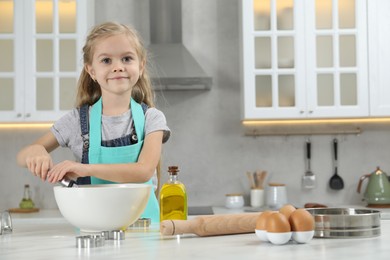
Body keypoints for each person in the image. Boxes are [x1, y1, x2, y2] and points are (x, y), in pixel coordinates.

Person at [16, 22, 170, 224]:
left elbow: (143, 171)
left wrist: (84, 169)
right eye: (106, 60)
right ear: (91, 71)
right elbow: (22, 157)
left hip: (143, 230)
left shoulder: (152, 118)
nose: (117, 66)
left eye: (127, 58)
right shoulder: (76, 121)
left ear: (140, 66)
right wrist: (36, 151)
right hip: (94, 232)